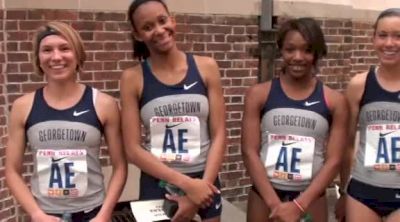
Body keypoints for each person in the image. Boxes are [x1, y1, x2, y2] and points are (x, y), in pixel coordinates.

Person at [5, 21, 127, 222]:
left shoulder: (103, 104)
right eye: (47, 50)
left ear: (77, 54)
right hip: (45, 214)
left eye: (64, 48)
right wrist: (36, 214)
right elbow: (11, 171)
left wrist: (104, 214)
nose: (56, 57)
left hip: (92, 212)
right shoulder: (22, 106)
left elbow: (120, 166)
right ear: (38, 58)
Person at [120, 0, 226, 222]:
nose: (159, 30)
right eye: (148, 27)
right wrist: (187, 185)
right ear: (138, 35)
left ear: (172, 20)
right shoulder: (132, 78)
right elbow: (132, 149)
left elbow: (219, 134)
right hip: (159, 182)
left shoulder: (206, 67)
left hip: (204, 180)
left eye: (162, 20)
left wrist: (201, 188)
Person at [241, 17, 348, 222]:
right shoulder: (259, 94)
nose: (298, 57)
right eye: (290, 49)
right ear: (281, 50)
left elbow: (334, 160)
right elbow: (249, 151)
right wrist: (275, 205)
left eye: (307, 50)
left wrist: (299, 205)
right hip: (265, 196)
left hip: (310, 197)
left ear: (317, 52)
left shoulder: (334, 101)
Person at [336, 8, 400, 222]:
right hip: (363, 192)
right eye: (383, 35)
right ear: (373, 38)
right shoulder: (359, 85)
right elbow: (347, 144)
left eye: (398, 36)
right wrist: (343, 191)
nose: (389, 43)